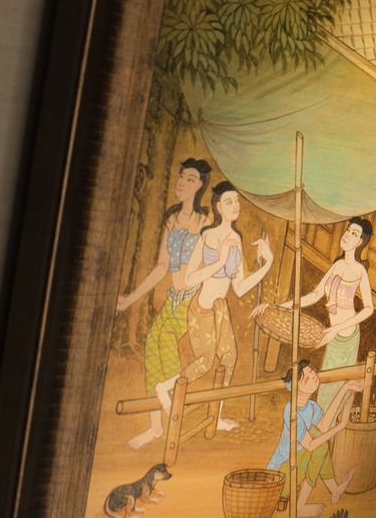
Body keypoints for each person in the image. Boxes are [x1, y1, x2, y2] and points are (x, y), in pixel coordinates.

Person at [115, 158, 211, 449]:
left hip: (193, 299)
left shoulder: (205, 222)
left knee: (166, 338)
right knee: (151, 345)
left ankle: (175, 415)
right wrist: (130, 299)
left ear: (200, 185)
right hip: (172, 299)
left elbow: (211, 266)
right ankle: (156, 426)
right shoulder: (171, 219)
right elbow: (161, 267)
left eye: (190, 179)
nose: (181, 183)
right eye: (181, 177)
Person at [173, 181, 273, 430]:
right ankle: (166, 388)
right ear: (218, 207)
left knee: (229, 358)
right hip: (202, 309)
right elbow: (188, 279)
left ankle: (216, 417)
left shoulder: (236, 239)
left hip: (220, 308)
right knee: (206, 361)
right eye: (229, 202)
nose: (235, 206)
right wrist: (219, 262)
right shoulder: (208, 235)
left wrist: (268, 264)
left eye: (237, 201)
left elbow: (239, 287)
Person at [254, 217, 374, 408]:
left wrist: (337, 329)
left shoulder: (359, 270)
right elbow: (316, 294)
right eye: (348, 230)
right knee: (326, 385)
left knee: (338, 387)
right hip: (332, 335)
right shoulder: (337, 265)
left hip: (347, 336)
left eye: (354, 233)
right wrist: (281, 306)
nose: (347, 235)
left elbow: (369, 309)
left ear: (359, 242)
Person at [267, 360, 360, 518]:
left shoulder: (312, 406)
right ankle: (300, 507)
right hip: (280, 478)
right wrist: (340, 427)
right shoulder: (291, 412)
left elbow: (323, 427)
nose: (313, 376)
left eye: (312, 371)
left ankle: (334, 490)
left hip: (296, 470)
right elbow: (311, 445)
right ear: (296, 389)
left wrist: (345, 388)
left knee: (318, 436)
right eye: (307, 378)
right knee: (318, 444)